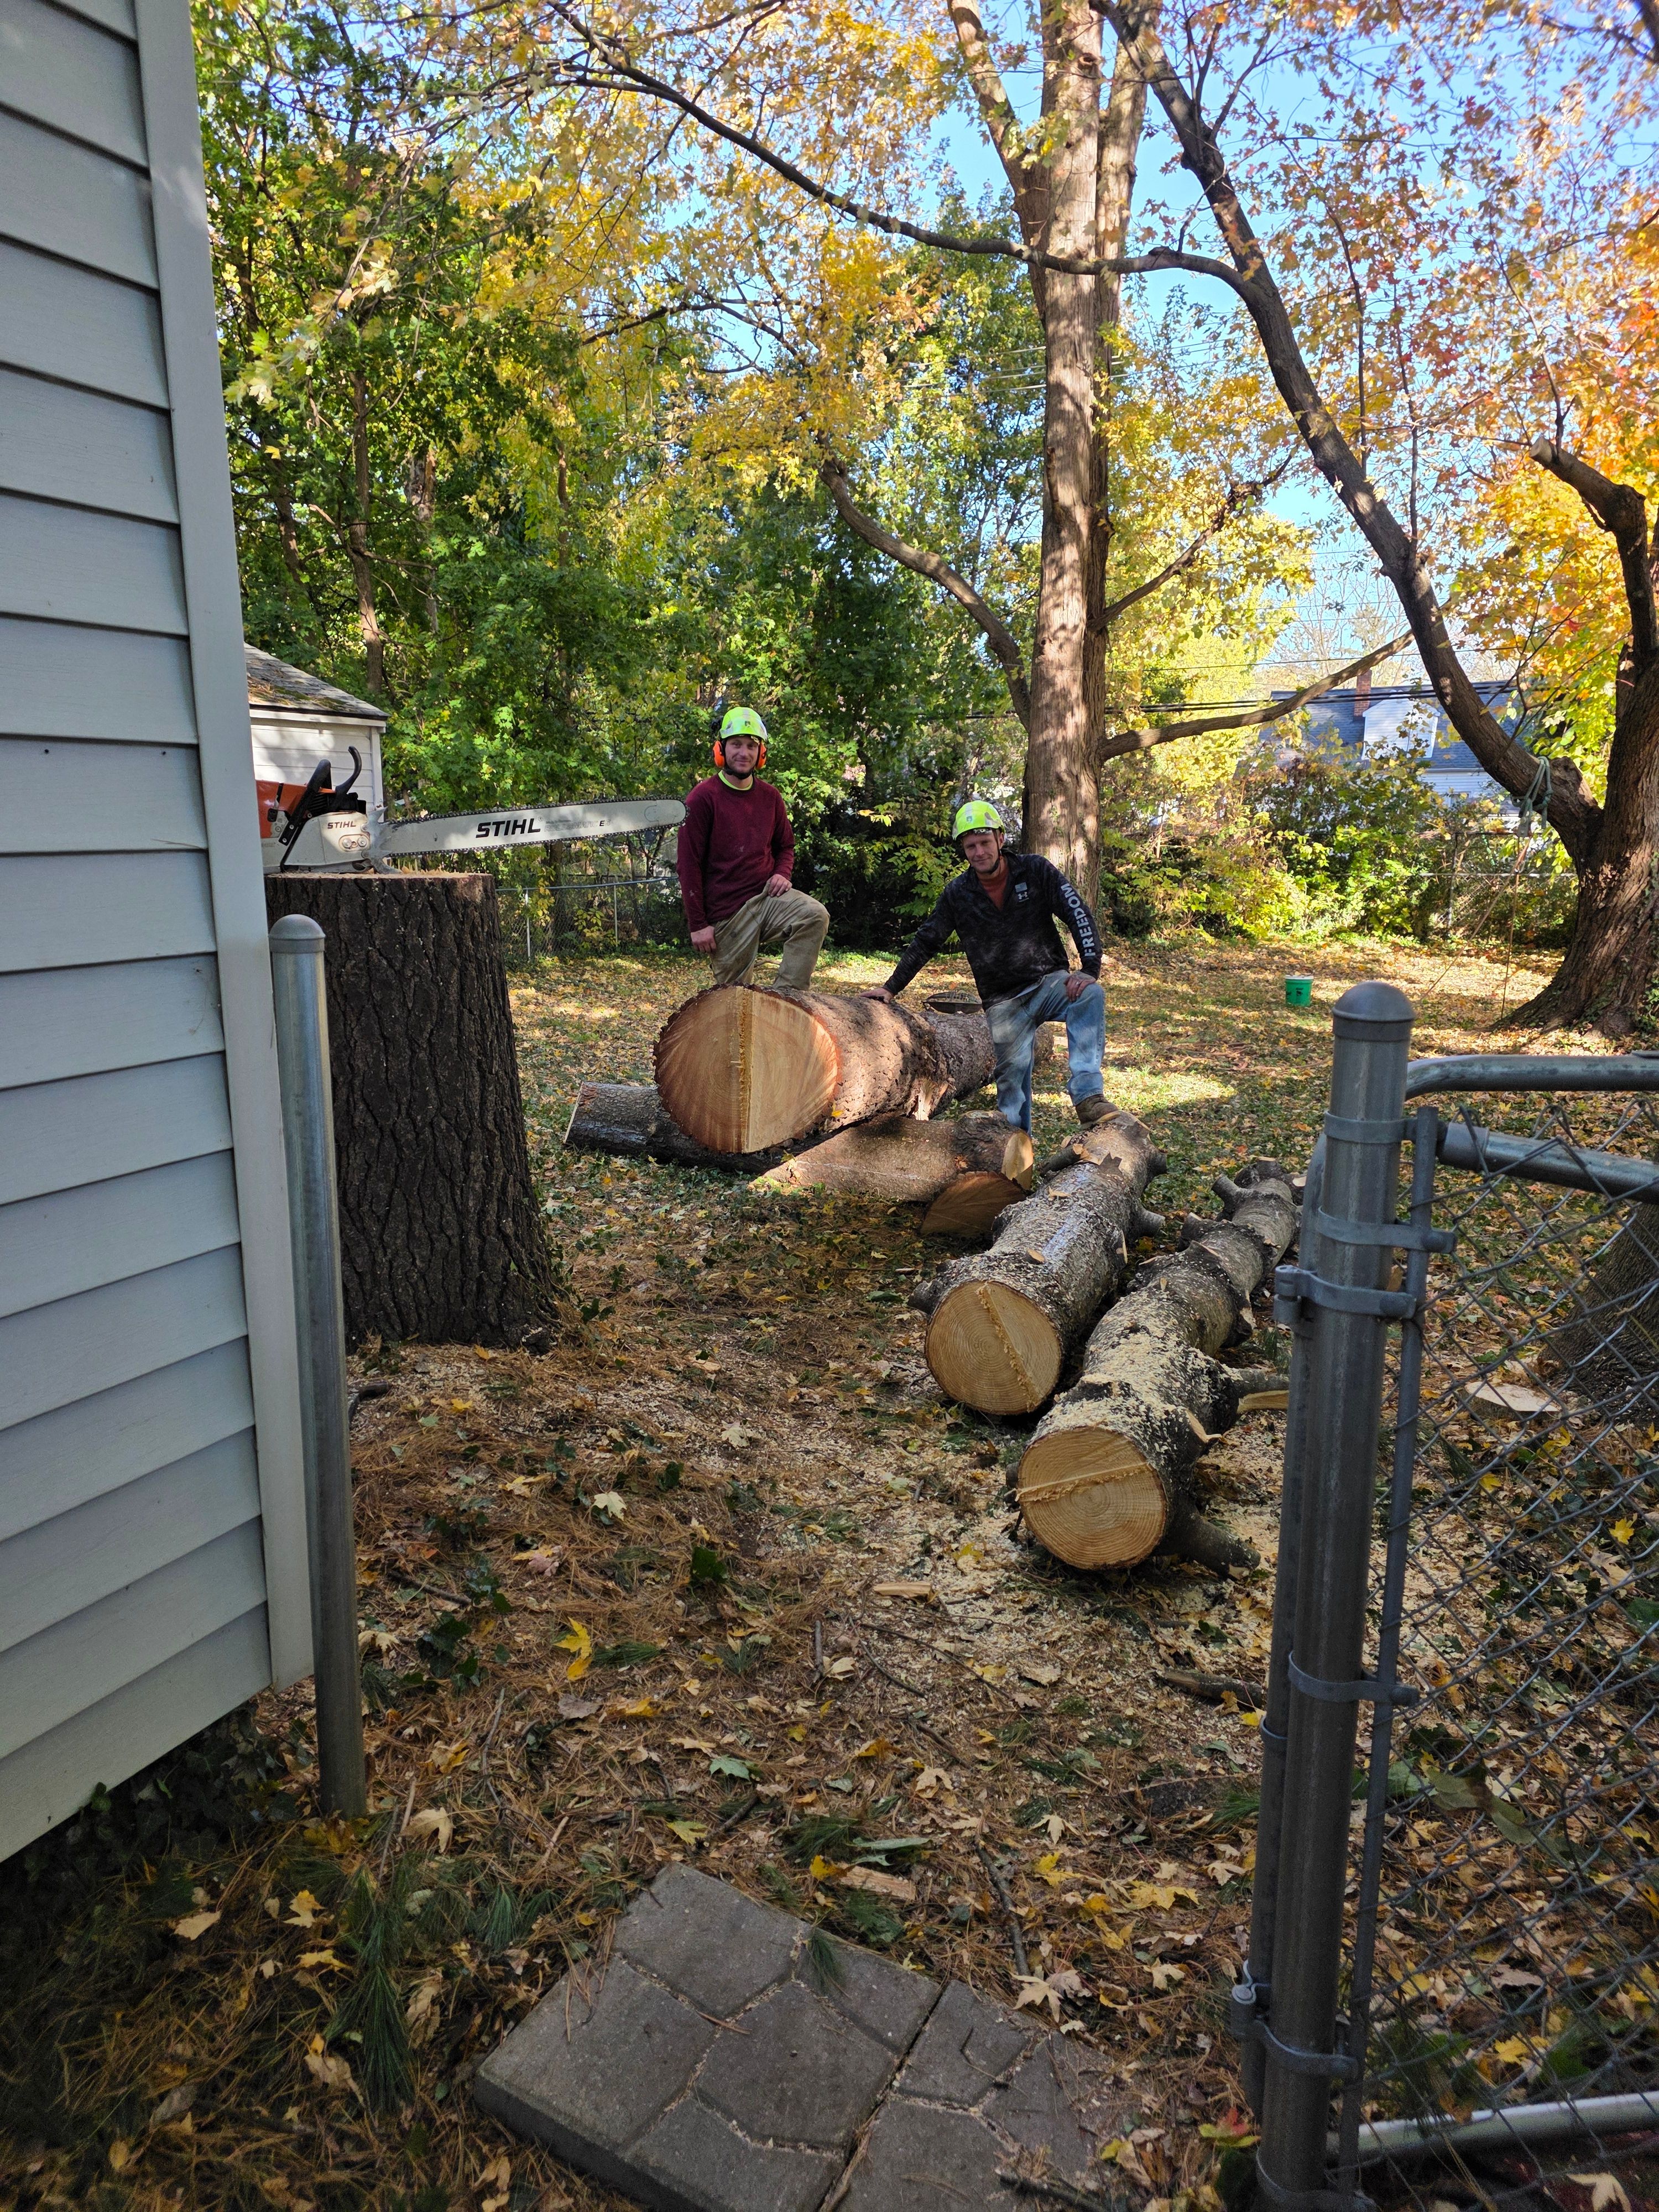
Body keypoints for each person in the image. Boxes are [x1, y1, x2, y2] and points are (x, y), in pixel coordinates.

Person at [862, 800, 1112, 1134]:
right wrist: (891, 987)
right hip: (1003, 1002)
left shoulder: (1035, 870)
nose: (979, 852)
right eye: (970, 846)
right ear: (964, 850)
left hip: (1048, 983)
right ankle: (1013, 1161)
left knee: (1089, 995)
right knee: (1011, 1092)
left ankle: (1088, 1097)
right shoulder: (958, 894)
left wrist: (1089, 967)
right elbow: (927, 940)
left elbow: (1077, 912)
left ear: (1000, 839)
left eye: (984, 843)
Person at [676, 707, 830, 988]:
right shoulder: (703, 798)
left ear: (760, 754)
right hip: (727, 915)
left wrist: (782, 873)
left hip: (766, 898)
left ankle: (787, 998)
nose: (743, 753)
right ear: (721, 749)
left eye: (751, 746)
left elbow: (786, 845)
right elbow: (688, 865)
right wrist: (698, 925)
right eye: (736, 745)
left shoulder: (770, 797)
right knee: (734, 998)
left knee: (814, 915)